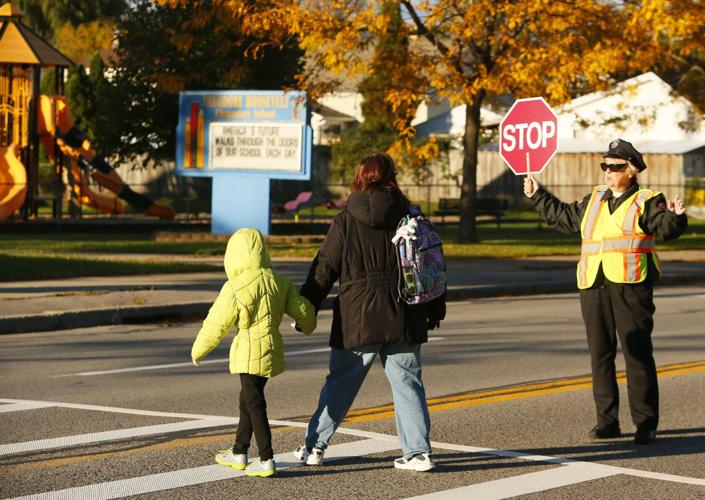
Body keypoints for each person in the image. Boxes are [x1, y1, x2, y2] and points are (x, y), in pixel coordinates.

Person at [524, 138, 687, 445]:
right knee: (600, 355)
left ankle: (645, 423)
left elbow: (666, 228)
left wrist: (676, 217)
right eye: (605, 166)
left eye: (615, 166)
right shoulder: (594, 199)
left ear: (632, 170)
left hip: (631, 286)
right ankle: (607, 422)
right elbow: (564, 217)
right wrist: (538, 195)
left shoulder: (648, 200)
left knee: (637, 354)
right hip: (593, 284)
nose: (608, 172)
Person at [292, 151, 446, 472]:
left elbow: (325, 268)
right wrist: (434, 310)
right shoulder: (411, 217)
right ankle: (418, 453)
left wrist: (305, 305)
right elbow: (430, 265)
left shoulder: (346, 219)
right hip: (405, 312)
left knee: (340, 384)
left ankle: (314, 448)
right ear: (392, 178)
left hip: (356, 317)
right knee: (407, 383)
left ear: (360, 178)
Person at [191, 228, 317, 477]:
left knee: (255, 403)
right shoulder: (279, 281)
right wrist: (307, 325)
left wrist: (198, 350)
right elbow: (303, 310)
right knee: (248, 400)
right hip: (271, 349)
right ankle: (239, 452)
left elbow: (217, 323)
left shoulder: (236, 286)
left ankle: (266, 458)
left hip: (248, 353)